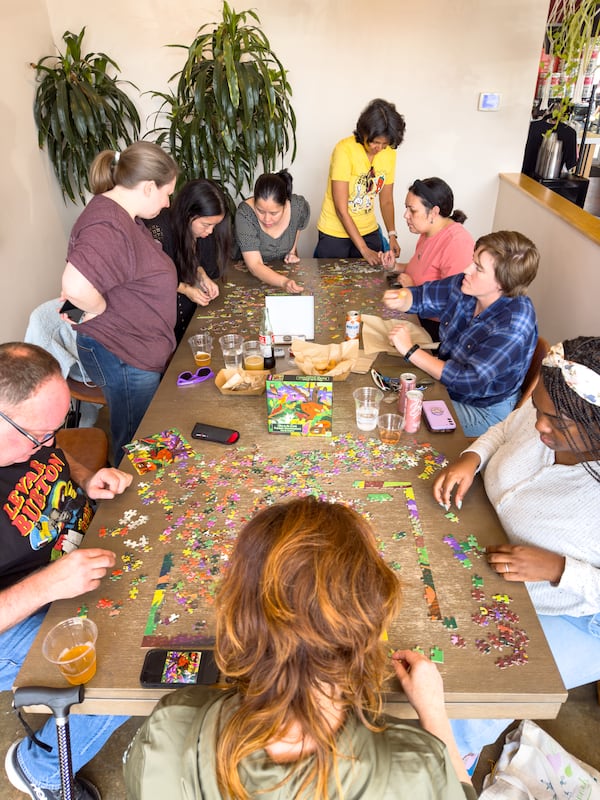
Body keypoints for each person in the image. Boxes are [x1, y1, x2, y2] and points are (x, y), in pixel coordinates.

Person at [123, 496, 475, 799]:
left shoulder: (168, 726)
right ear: (366, 632)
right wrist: (434, 714)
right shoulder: (418, 765)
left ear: (236, 620)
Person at [432, 336, 600, 770]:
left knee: (469, 693)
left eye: (554, 420)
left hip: (579, 616)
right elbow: (508, 426)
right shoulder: (546, 407)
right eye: (538, 409)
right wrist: (472, 456)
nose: (539, 425)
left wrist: (560, 568)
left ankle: (449, 769)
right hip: (490, 546)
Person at [0, 343, 132, 800]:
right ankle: (36, 768)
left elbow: (53, 460)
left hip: (73, 561)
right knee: (122, 668)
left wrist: (84, 478)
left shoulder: (31, 436)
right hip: (14, 617)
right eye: (40, 433)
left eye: (60, 428)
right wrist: (48, 585)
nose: (50, 442)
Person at [61, 141, 179, 463]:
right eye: (166, 192)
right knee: (134, 438)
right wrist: (94, 308)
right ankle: (126, 503)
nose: (168, 203)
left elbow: (96, 280)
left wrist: (77, 308)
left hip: (135, 348)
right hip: (124, 353)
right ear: (147, 187)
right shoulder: (108, 224)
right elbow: (74, 285)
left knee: (143, 432)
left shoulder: (120, 216)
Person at [383, 230, 539, 437]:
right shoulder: (468, 285)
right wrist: (403, 298)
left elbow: (467, 380)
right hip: (449, 386)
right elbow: (425, 295)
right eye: (472, 261)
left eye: (478, 268)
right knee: (394, 394)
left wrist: (412, 351)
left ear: (502, 283)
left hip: (482, 409)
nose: (467, 269)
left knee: (403, 416)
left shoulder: (514, 325)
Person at [315, 98, 405, 266]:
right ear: (364, 132)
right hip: (335, 232)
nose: (379, 148)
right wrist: (364, 250)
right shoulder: (344, 150)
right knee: (332, 287)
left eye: (384, 144)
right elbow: (341, 209)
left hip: (368, 229)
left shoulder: (389, 154)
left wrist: (392, 234)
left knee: (372, 285)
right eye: (375, 142)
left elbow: (386, 201)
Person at [382, 177, 475, 341]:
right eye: (406, 208)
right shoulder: (427, 232)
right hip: (416, 313)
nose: (405, 215)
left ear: (434, 212)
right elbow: (419, 270)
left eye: (412, 210)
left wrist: (413, 291)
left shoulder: (457, 243)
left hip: (436, 331)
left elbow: (456, 305)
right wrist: (394, 267)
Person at [145, 179, 232, 342]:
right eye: (206, 224)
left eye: (214, 225)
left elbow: (190, 259)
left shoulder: (198, 232)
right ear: (188, 214)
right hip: (160, 323)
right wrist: (186, 289)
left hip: (185, 318)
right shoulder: (157, 230)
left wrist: (202, 275)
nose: (210, 230)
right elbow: (153, 277)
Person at [234, 169, 310, 293]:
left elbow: (296, 227)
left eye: (274, 213)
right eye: (260, 211)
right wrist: (283, 282)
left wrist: (291, 253)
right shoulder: (245, 214)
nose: (267, 219)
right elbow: (255, 265)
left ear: (285, 204)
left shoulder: (298, 207)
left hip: (283, 275)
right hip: (246, 277)